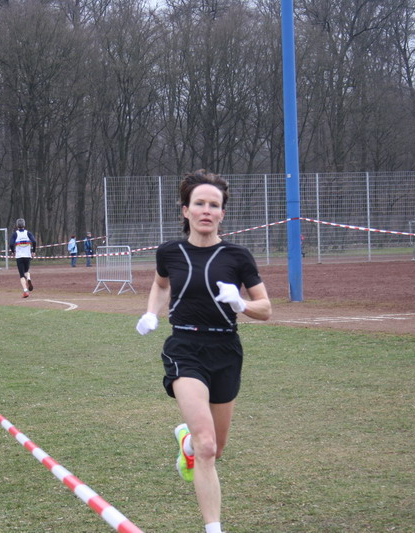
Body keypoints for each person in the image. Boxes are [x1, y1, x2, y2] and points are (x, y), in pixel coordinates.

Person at [135, 170, 272, 533]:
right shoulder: (169, 252)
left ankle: (187, 442)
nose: (207, 210)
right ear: (186, 210)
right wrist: (151, 313)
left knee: (216, 448)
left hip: (226, 349)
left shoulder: (238, 256)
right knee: (207, 445)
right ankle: (214, 528)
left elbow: (266, 309)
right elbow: (160, 285)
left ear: (222, 213)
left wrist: (240, 304)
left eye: (214, 205)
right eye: (200, 203)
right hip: (184, 347)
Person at [9, 218, 37, 298]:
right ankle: (28, 278)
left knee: (21, 275)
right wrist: (33, 251)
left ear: (17, 225)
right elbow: (34, 241)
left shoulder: (15, 234)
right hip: (27, 256)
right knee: (26, 271)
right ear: (24, 225)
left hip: (19, 256)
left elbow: (11, 244)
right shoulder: (28, 233)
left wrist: (13, 251)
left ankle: (25, 291)